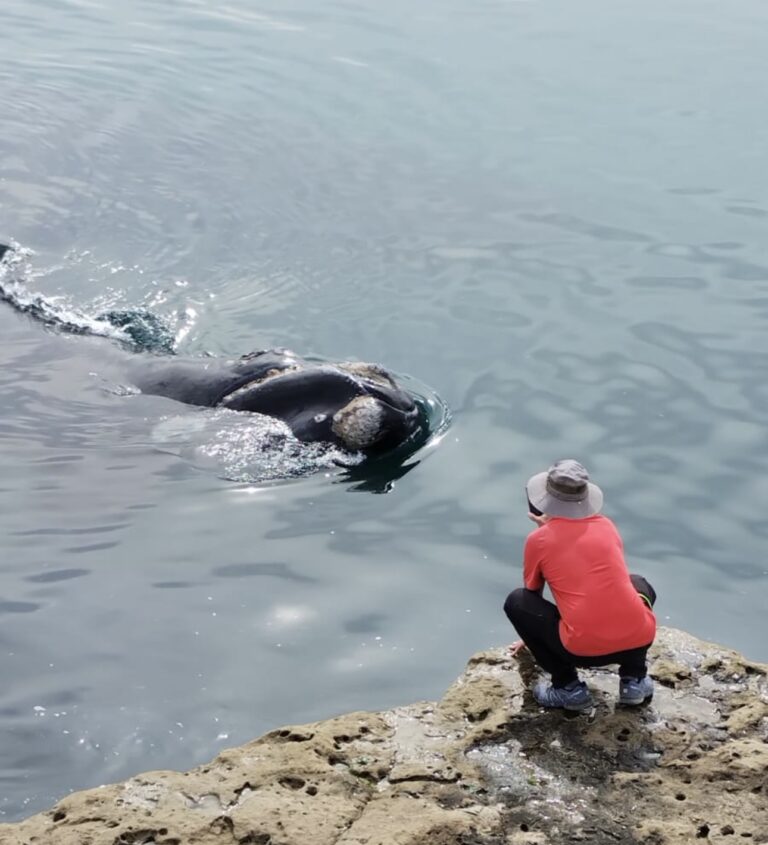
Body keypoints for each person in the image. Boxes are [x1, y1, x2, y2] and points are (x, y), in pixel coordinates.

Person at [503, 459, 656, 711]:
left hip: (582, 651)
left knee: (517, 601)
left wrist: (533, 637)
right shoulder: (607, 526)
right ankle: (634, 679)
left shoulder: (538, 540)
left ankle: (567, 688)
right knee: (638, 583)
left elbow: (531, 593)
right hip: (639, 640)